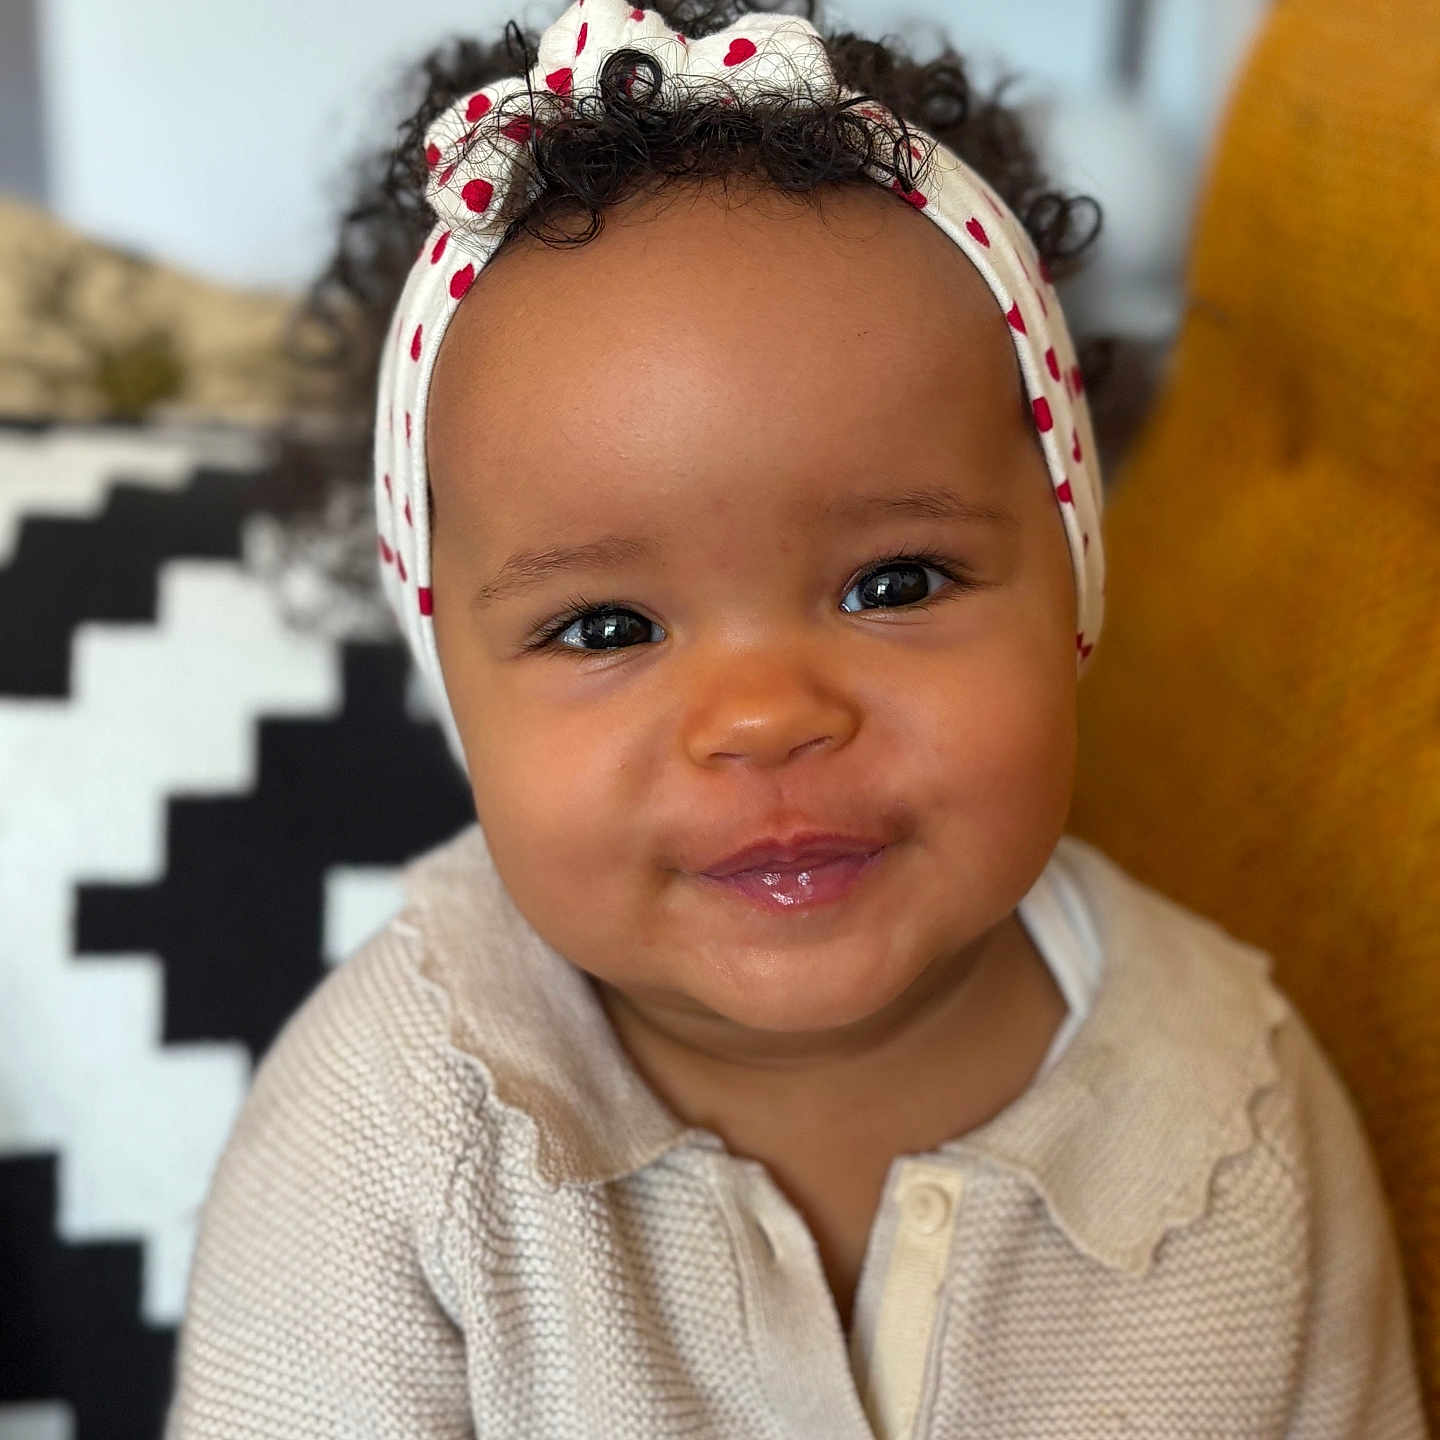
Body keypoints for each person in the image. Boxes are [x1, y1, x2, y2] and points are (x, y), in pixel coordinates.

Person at [164, 0, 1430, 1434]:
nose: (766, 718)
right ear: (454, 686)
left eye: (895, 582)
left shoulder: (1240, 1117)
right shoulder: (385, 1127)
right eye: (606, 627)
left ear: (1073, 579)